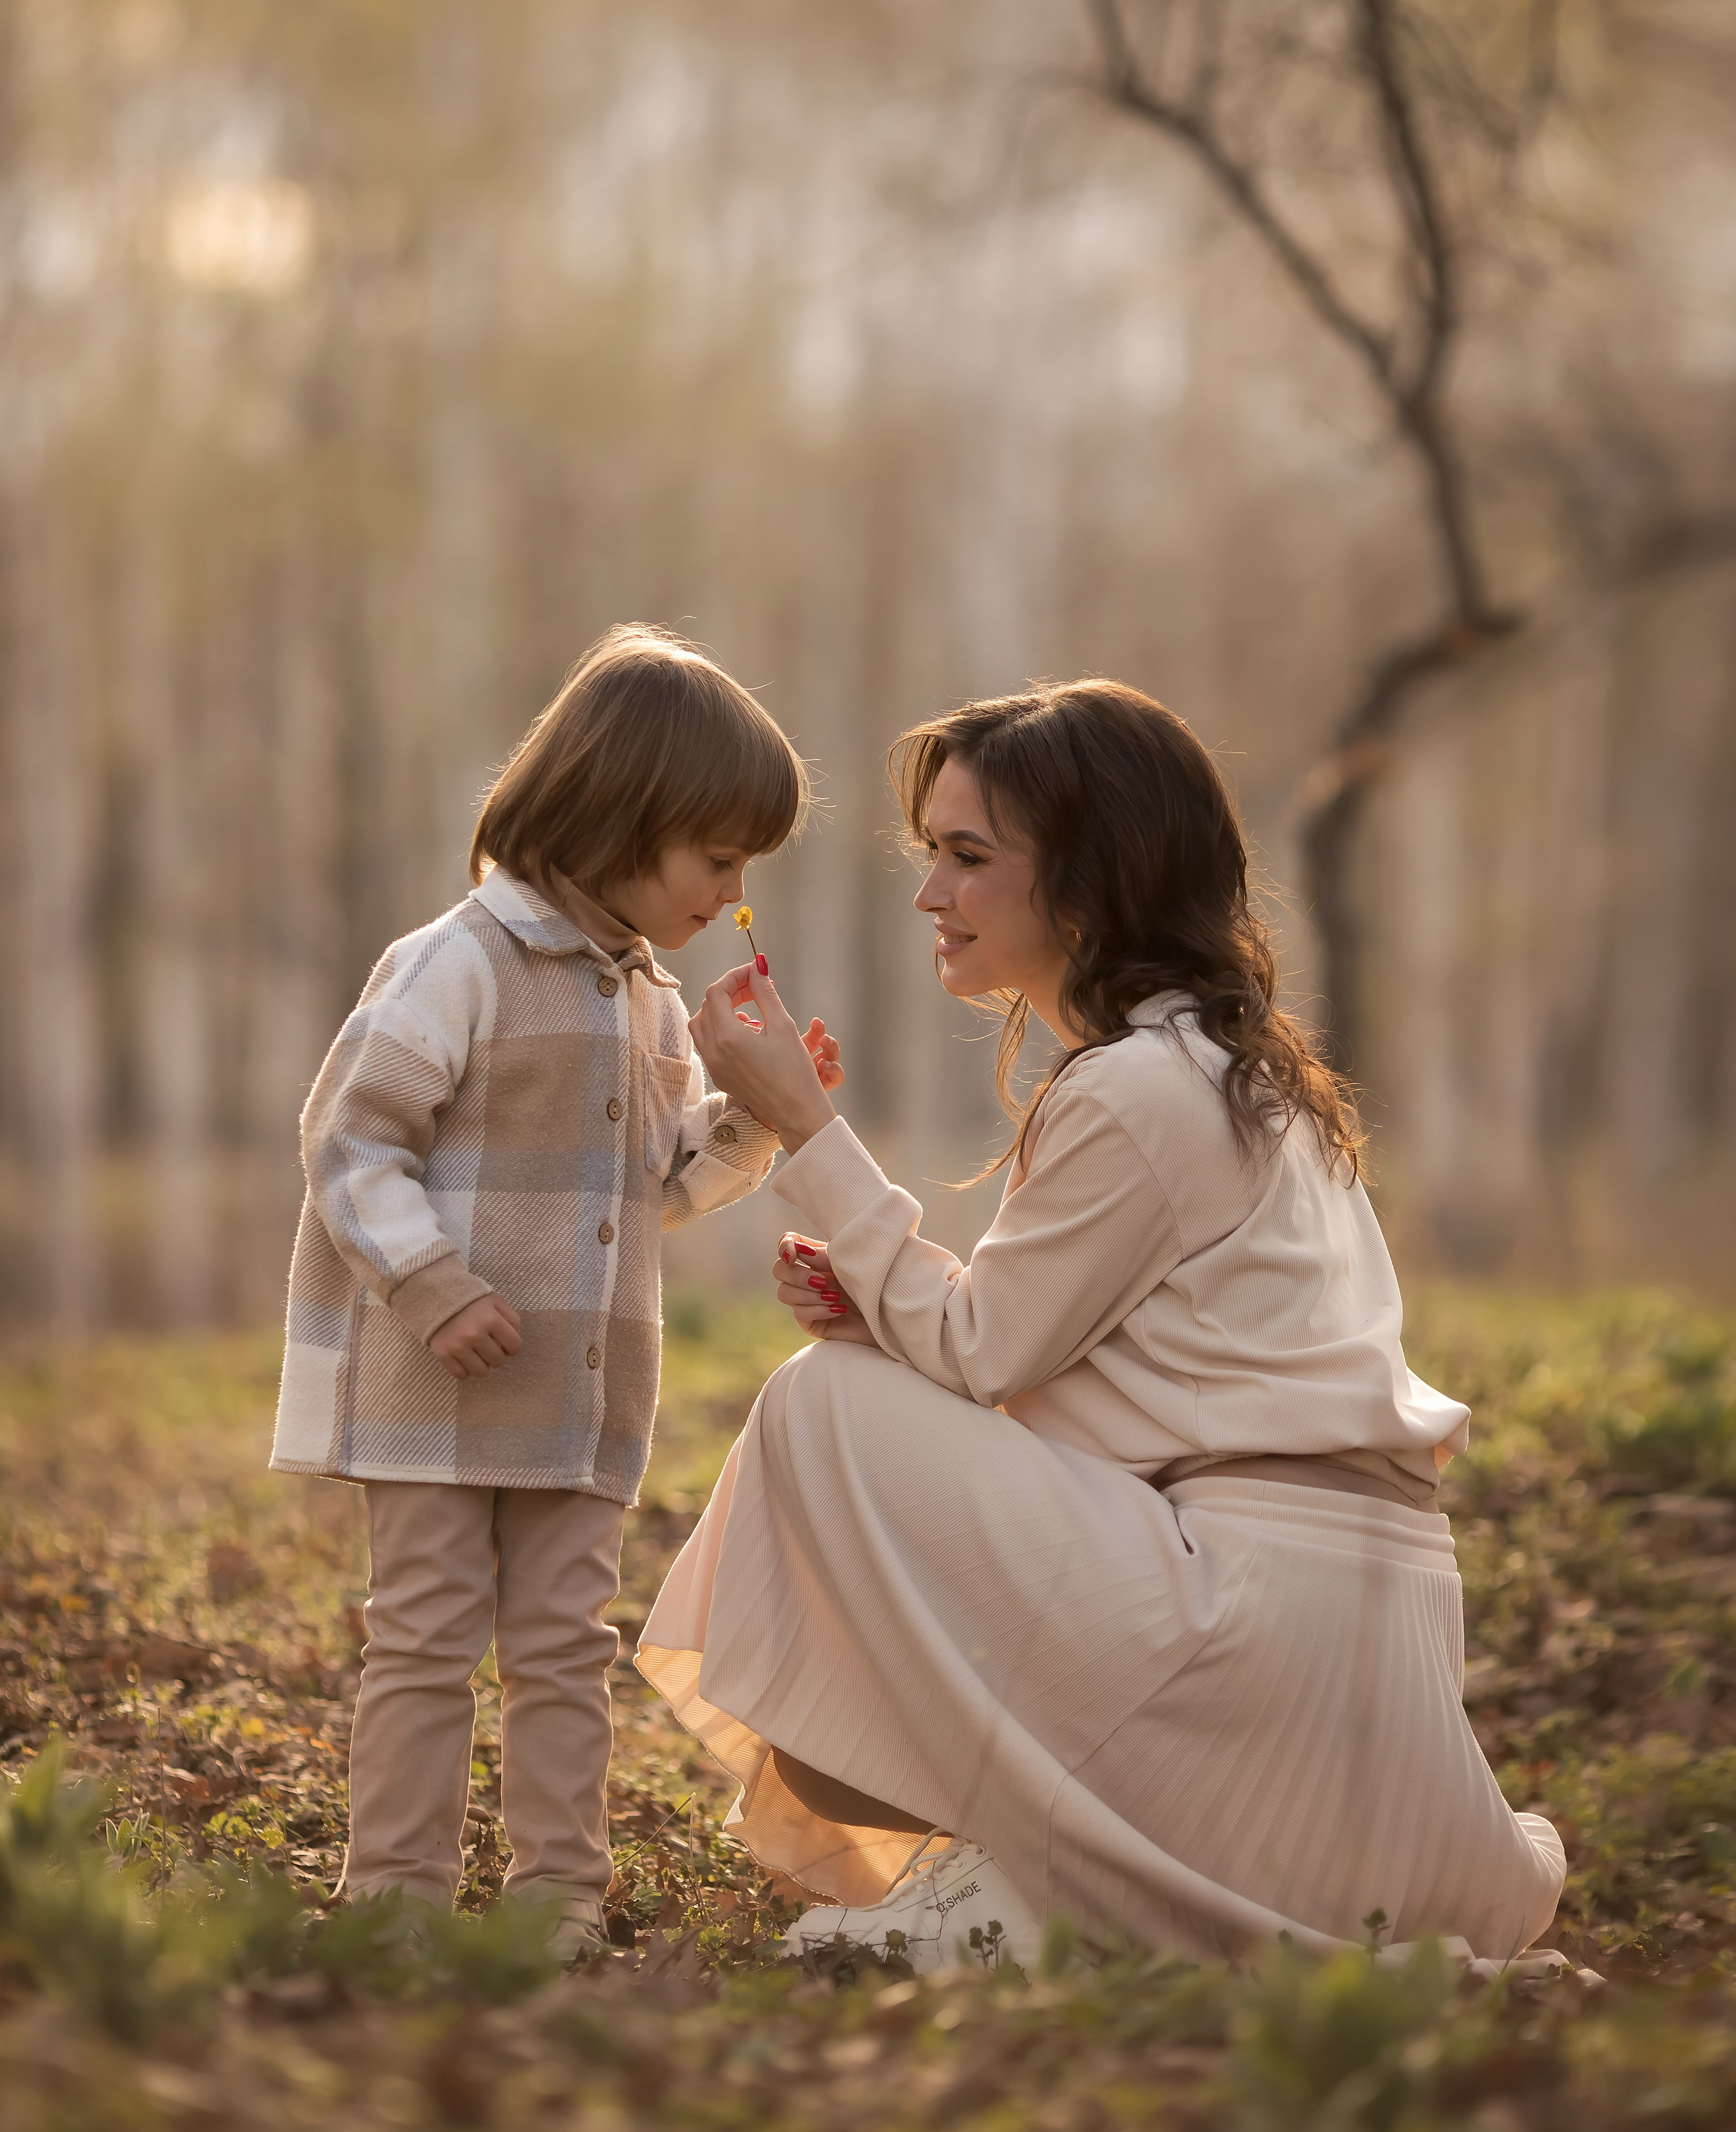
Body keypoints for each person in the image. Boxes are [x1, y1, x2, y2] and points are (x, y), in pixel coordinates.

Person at [641, 678, 1566, 1971]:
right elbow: (1088, 1357)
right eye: (930, 858)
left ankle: (1042, 1870)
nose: (931, 896)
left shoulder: (1140, 1087)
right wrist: (887, 1308)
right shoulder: (1228, 1073)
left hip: (1257, 1621)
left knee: (819, 1403)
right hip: (1351, 1623)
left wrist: (806, 1125)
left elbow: (983, 1355)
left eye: (968, 859)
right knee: (852, 1383)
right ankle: (1037, 1865)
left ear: (1093, 876)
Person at [270, 624, 840, 1959]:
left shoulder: (644, 999)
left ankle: (554, 1902)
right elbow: (348, 1141)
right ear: (621, 816)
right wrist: (430, 1283)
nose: (731, 889)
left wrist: (755, 1114)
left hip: (577, 1405)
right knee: (419, 1637)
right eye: (716, 856)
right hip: (437, 1384)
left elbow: (654, 1188)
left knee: (560, 1647)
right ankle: (394, 1899)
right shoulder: (455, 962)